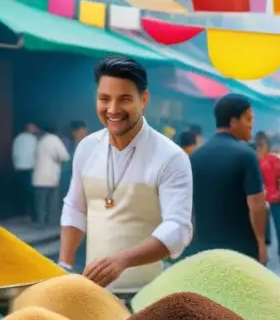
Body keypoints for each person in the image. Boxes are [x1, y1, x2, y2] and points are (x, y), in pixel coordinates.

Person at [58, 56, 192, 298]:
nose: (112, 110)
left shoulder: (171, 157)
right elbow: (75, 206)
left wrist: (123, 260)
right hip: (93, 295)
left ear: (144, 99)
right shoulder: (87, 147)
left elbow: (178, 228)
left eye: (124, 99)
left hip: (147, 295)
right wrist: (65, 265)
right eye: (104, 99)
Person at [187, 94, 267, 263]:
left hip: (203, 248)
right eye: (247, 119)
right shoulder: (247, 155)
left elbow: (189, 208)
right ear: (233, 121)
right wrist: (261, 243)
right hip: (240, 250)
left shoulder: (195, 156)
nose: (251, 124)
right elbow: (257, 206)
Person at [257, 132, 280, 266]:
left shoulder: (256, 160)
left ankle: (265, 255)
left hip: (266, 199)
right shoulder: (277, 159)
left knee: (263, 229)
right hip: (275, 199)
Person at [33, 126, 70, 228]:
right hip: (51, 177)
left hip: (38, 178)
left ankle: (41, 222)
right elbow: (65, 156)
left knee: (40, 202)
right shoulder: (54, 140)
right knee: (51, 201)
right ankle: (50, 223)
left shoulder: (40, 141)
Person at [12, 122, 39, 220]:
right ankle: (34, 216)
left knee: (22, 192)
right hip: (30, 169)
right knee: (31, 193)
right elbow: (36, 154)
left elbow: (14, 154)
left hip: (18, 168)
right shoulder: (33, 139)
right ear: (29, 129)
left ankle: (23, 212)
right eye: (34, 128)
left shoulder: (17, 138)